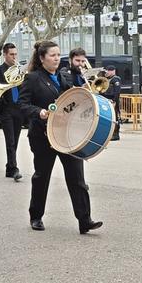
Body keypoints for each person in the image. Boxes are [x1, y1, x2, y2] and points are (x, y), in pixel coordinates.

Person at [17, 41, 103, 234]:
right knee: (42, 176)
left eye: (58, 55)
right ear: (42, 58)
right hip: (43, 136)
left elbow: (73, 100)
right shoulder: (32, 78)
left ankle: (85, 219)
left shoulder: (64, 76)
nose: (56, 59)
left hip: (66, 135)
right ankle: (36, 216)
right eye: (52, 55)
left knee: (77, 177)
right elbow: (22, 105)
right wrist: (39, 112)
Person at [0, 42, 23, 181]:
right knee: (10, 141)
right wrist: (4, 88)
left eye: (15, 54)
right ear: (5, 55)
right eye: (11, 54)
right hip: (6, 109)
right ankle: (14, 168)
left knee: (16, 140)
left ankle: (9, 168)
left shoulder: (20, 70)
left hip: (19, 109)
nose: (14, 57)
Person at [101, 65, 122, 141]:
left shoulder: (116, 79)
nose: (107, 73)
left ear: (113, 71)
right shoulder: (108, 79)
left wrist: (115, 101)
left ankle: (116, 134)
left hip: (113, 101)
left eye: (108, 71)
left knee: (115, 118)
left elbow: (117, 92)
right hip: (107, 101)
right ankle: (110, 133)